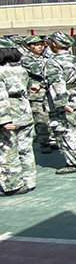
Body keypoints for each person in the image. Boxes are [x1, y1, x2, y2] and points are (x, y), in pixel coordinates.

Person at [44, 32, 76, 174]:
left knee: (64, 130)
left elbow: (57, 82)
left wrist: (61, 102)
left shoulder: (53, 62)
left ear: (55, 44)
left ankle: (74, 162)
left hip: (66, 98)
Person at [0, 38, 36, 195]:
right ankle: (29, 180)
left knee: (8, 149)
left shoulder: (1, 72)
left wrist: (4, 119)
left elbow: (1, 97)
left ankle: (13, 184)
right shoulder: (21, 70)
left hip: (10, 113)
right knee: (26, 149)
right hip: (24, 112)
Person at [20, 35, 56, 153]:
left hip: (48, 92)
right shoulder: (26, 59)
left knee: (51, 118)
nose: (40, 47)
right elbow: (40, 70)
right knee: (41, 120)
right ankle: (44, 143)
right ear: (29, 47)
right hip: (37, 95)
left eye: (41, 44)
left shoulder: (45, 57)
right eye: (36, 45)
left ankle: (52, 140)